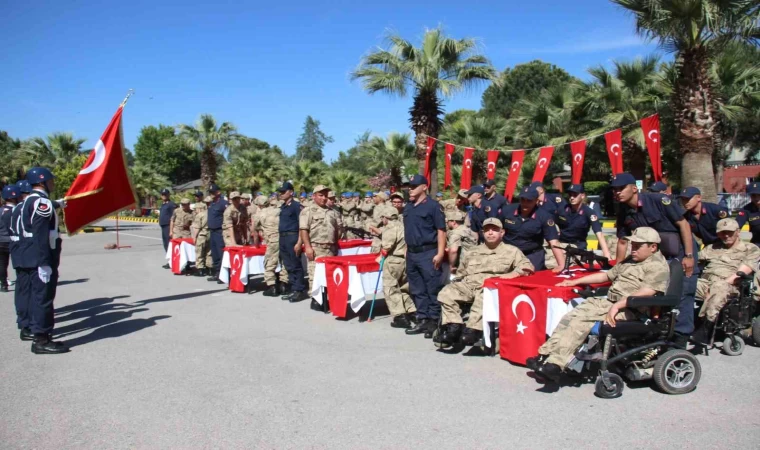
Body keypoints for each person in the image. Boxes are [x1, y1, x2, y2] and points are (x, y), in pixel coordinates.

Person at [528, 227, 669, 382]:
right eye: (632, 245)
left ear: (653, 247)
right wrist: (575, 281)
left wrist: (618, 305)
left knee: (580, 323)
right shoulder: (632, 260)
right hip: (609, 301)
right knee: (570, 316)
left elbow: (648, 291)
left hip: (631, 309)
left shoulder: (657, 266)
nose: (633, 249)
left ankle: (555, 364)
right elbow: (606, 276)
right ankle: (544, 355)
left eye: (638, 246)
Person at [612, 172, 697, 346]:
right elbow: (622, 241)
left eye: (621, 188)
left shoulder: (658, 200)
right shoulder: (623, 210)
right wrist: (618, 268)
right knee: (652, 292)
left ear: (634, 188)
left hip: (680, 251)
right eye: (615, 189)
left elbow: (683, 225)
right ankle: (656, 331)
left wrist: (689, 256)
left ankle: (681, 335)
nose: (617, 192)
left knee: (682, 292)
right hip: (653, 256)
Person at [435, 218, 534, 346]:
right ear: (482, 233)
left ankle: (473, 330)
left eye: (494, 230)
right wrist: (456, 283)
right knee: (446, 292)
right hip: (470, 285)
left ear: (502, 232)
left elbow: (527, 266)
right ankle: (454, 326)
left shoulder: (512, 251)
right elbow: (461, 273)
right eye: (487, 230)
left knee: (484, 294)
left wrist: (512, 275)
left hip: (492, 287)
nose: (490, 233)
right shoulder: (472, 251)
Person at [15, 167, 68, 354]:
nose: (53, 183)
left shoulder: (30, 200)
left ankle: (40, 335)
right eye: (50, 180)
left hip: (30, 256)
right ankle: (41, 340)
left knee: (38, 297)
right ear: (42, 182)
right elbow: (40, 234)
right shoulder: (41, 202)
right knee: (43, 299)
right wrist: (44, 263)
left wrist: (58, 204)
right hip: (41, 257)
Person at [691, 218, 760, 344]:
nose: (726, 235)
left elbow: (743, 271)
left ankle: (706, 328)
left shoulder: (750, 249)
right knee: (683, 284)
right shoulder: (712, 248)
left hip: (731, 285)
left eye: (730, 232)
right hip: (705, 283)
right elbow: (694, 261)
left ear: (738, 232)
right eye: (722, 232)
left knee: (719, 287)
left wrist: (715, 287)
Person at [403, 175, 446, 337]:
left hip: (428, 252)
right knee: (417, 289)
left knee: (432, 288)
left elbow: (441, 231)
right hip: (412, 253)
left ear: (424, 187)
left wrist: (440, 253)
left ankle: (434, 321)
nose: (410, 189)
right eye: (409, 186)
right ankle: (422, 319)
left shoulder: (433, 206)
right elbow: (409, 230)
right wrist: (406, 249)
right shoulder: (409, 207)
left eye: (414, 186)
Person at [498, 185, 565, 272]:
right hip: (509, 253)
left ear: (536, 201)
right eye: (523, 199)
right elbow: (495, 230)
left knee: (529, 277)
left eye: (529, 200)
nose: (525, 203)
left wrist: (561, 265)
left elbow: (553, 242)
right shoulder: (507, 211)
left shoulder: (544, 216)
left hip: (532, 255)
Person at [300, 185, 341, 306]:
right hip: (316, 247)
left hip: (330, 248)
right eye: (320, 195)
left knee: (329, 274)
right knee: (315, 274)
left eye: (325, 195)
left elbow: (337, 230)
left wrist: (336, 244)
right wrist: (308, 247)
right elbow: (303, 230)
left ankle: (327, 298)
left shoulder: (332, 211)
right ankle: (316, 300)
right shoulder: (308, 211)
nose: (324, 198)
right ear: (314, 196)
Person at [379, 208, 417, 329]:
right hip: (404, 259)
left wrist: (380, 255)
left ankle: (399, 316)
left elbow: (386, 247)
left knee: (391, 288)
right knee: (404, 287)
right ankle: (412, 311)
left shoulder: (390, 228)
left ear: (386, 218)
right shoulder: (403, 226)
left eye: (382, 218)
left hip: (393, 260)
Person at [555, 184, 612, 259]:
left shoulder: (589, 212)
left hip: (578, 246)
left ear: (582, 196)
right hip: (561, 245)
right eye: (570, 195)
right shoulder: (562, 209)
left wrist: (606, 253)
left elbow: (599, 233)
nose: (571, 197)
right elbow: (551, 223)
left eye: (575, 195)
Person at [253, 195, 289, 296]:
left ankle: (272, 286)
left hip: (272, 241)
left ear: (259, 205)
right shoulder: (278, 211)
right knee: (284, 262)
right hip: (284, 238)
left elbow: (255, 231)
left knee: (269, 263)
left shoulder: (259, 215)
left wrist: (256, 245)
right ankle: (283, 284)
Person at [278, 182, 307, 301]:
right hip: (283, 237)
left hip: (292, 237)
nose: (281, 194)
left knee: (295, 264)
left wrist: (299, 242)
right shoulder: (283, 206)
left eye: (283, 192)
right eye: (280, 192)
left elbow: (302, 225)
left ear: (291, 192)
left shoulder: (296, 206)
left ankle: (299, 290)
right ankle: (294, 288)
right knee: (288, 265)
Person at [206, 184, 228, 282]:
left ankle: (224, 275)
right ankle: (217, 273)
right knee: (214, 254)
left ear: (218, 192)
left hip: (220, 231)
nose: (211, 194)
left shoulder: (223, 203)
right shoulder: (212, 203)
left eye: (213, 192)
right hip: (212, 231)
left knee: (220, 253)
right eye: (210, 192)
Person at [445, 210, 478, 274]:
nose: (447, 223)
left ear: (453, 222)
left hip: (464, 264)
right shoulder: (467, 229)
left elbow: (453, 251)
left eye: (448, 221)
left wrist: (451, 266)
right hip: (474, 260)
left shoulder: (456, 233)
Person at [0, 184, 19, 292]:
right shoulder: (17, 210)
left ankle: (3, 285)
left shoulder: (0, 210)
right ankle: (22, 282)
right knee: (18, 262)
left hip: (1, 241)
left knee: (2, 264)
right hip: (13, 240)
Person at [192, 196, 212, 277]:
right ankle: (210, 268)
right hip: (210, 234)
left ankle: (200, 269)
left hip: (202, 235)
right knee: (209, 252)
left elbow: (197, 227)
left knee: (199, 252)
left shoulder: (201, 215)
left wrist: (194, 237)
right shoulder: (214, 213)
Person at [735, 181, 760, 246]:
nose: (757, 198)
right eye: (753, 195)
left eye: (759, 195)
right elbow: (736, 226)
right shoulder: (746, 210)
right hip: (757, 245)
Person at [158, 188, 177, 268]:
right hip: (163, 227)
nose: (164, 196)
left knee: (169, 245)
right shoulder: (163, 204)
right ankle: (170, 261)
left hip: (168, 227)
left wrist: (171, 229)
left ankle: (172, 262)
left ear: (168, 195)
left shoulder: (171, 205)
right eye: (162, 194)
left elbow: (174, 217)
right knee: (166, 244)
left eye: (165, 194)